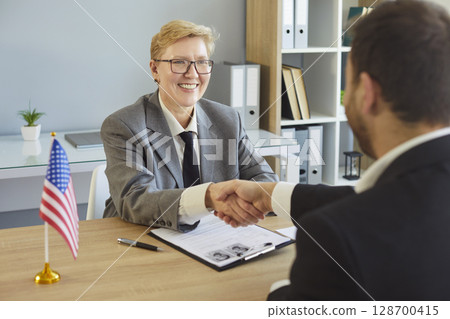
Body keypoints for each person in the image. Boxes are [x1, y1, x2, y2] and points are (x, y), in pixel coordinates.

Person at [211, 0, 450, 300]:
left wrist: (281, 291)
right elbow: (373, 199)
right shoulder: (415, 190)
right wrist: (268, 194)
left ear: (367, 93)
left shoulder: (336, 237)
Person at [101, 20, 277, 232]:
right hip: (140, 238)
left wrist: (245, 200)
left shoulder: (227, 119)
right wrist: (207, 197)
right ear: (155, 69)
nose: (193, 74)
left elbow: (264, 178)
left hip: (213, 236)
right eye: (179, 62)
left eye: (202, 62)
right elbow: (135, 200)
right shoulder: (124, 125)